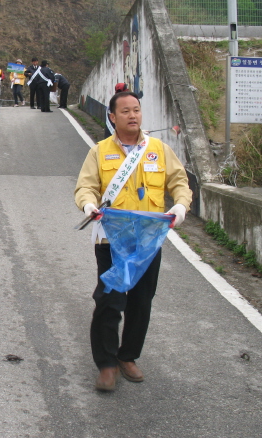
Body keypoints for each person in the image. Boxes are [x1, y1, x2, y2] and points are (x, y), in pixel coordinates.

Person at [74, 91, 192, 392]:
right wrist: (88, 205)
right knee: (109, 301)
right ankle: (107, 364)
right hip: (111, 240)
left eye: (136, 110)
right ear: (112, 117)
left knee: (141, 301)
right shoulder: (100, 152)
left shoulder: (159, 149)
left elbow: (179, 182)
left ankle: (128, 356)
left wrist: (180, 205)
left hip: (148, 241)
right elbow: (86, 186)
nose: (132, 115)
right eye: (125, 111)